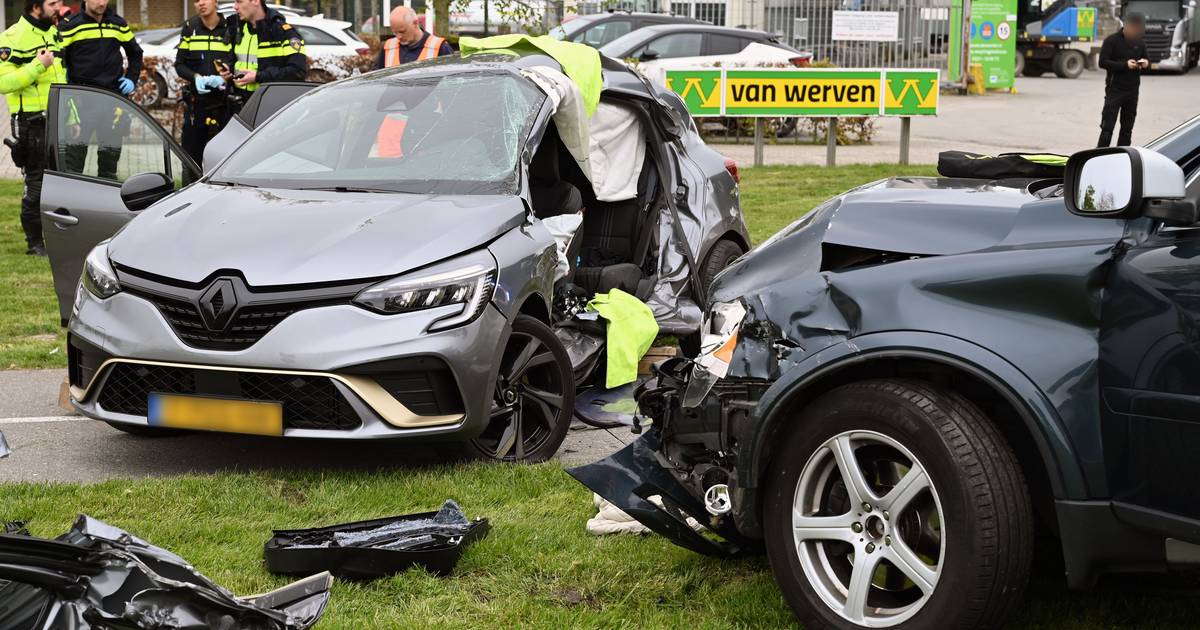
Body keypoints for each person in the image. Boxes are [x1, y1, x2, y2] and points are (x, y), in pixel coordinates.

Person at [0, 0, 65, 256]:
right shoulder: (12, 37)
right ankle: (34, 243)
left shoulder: (53, 32)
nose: (58, 7)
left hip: (58, 119)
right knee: (36, 184)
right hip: (31, 122)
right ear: (35, 7)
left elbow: (61, 79)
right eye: (52, 3)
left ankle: (59, 237)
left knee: (61, 183)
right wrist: (37, 65)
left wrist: (72, 118)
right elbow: (3, 83)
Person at [58, 0, 142, 180]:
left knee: (109, 165)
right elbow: (58, 58)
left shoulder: (118, 23)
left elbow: (136, 53)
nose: (101, 2)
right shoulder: (70, 25)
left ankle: (107, 195)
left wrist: (132, 79)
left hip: (113, 100)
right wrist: (65, 84)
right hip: (82, 101)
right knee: (73, 165)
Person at [175, 0, 233, 164]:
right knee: (191, 158)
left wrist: (224, 77)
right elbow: (179, 64)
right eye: (196, 0)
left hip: (225, 104)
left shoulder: (230, 28)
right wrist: (195, 77)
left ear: (215, 1)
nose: (201, 3)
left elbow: (236, 62)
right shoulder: (190, 28)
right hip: (197, 103)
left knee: (226, 159)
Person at [221, 0, 306, 110]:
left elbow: (297, 72)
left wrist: (259, 76)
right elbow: (235, 60)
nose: (235, 7)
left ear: (256, 1)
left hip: (269, 107)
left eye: (239, 1)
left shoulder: (284, 32)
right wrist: (228, 69)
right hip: (239, 106)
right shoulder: (238, 29)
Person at [1097, 13, 1149, 147]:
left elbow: (1147, 60)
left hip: (1132, 91)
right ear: (1125, 25)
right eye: (1132, 28)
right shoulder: (1111, 41)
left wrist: (1145, 63)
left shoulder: (1140, 43)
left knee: (1127, 129)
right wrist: (1125, 65)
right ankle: (1100, 154)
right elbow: (1102, 62)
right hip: (1115, 89)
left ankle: (1122, 155)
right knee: (1107, 128)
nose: (1134, 31)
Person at [373, 6, 452, 70]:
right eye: (395, 32)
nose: (399, 37)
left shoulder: (439, 47)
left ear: (416, 23)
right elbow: (376, 78)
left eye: (402, 32)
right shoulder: (388, 47)